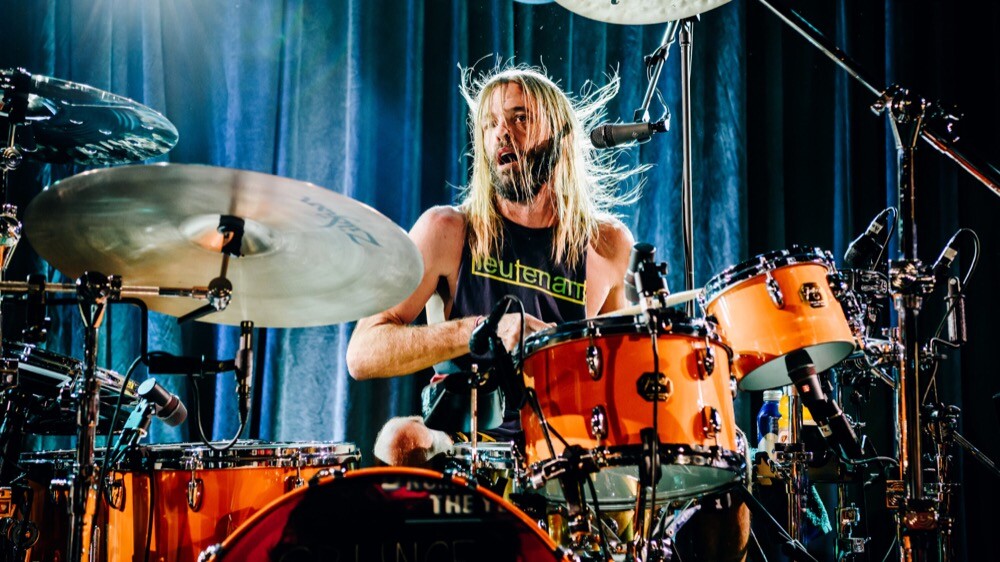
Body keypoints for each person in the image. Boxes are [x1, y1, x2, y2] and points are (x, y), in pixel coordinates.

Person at [346, 65, 748, 561]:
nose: (502, 133)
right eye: (491, 123)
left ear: (561, 137)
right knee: (401, 438)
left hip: (567, 449)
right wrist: (481, 330)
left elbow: (621, 375)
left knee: (725, 471)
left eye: (520, 118)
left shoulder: (607, 244)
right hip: (469, 443)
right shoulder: (447, 230)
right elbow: (362, 352)